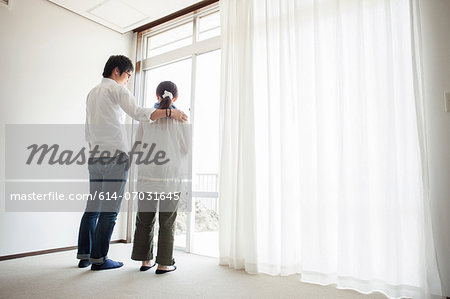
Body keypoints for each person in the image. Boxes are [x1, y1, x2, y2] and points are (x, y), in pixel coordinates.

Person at [77, 56, 188, 271]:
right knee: (109, 211)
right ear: (117, 71)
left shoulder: (92, 93)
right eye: (128, 75)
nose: (128, 79)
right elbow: (139, 114)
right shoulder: (118, 90)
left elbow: (88, 125)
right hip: (115, 156)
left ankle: (85, 255)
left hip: (95, 155)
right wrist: (170, 112)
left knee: (93, 207)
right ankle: (99, 259)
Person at [131, 81, 191, 274]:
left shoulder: (146, 117)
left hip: (148, 175)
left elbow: (138, 145)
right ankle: (164, 263)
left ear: (156, 96)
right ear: (176, 98)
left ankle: (145, 260)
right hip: (170, 176)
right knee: (167, 221)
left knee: (144, 220)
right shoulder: (182, 118)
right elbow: (186, 149)